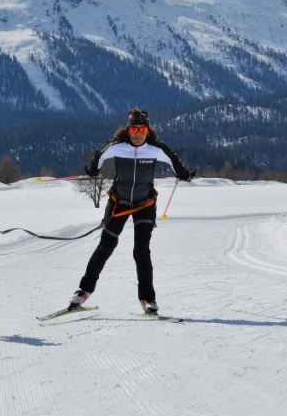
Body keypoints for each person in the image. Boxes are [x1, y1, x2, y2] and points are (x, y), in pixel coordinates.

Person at [68, 109, 194, 314]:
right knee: (105, 247)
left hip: (145, 204)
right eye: (134, 129)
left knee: (141, 251)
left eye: (142, 129)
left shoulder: (155, 149)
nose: (138, 133)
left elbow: (174, 160)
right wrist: (93, 171)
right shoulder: (117, 147)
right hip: (119, 202)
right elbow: (99, 155)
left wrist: (184, 174)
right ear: (128, 130)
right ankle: (83, 291)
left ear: (148, 131)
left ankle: (148, 299)